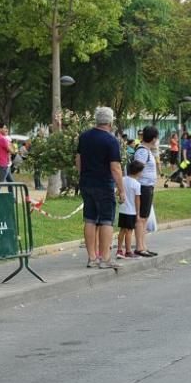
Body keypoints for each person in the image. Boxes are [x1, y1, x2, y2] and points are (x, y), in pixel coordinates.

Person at [76, 107, 126, 269]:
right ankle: (105, 258)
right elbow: (115, 167)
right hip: (104, 184)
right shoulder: (111, 140)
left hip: (86, 182)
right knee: (106, 220)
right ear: (110, 122)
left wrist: (82, 175)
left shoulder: (84, 137)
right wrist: (121, 189)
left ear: (96, 120)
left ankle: (92, 258)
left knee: (89, 219)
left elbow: (78, 159)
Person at [133, 125, 160, 257]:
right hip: (143, 187)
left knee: (144, 218)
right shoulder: (143, 151)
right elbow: (137, 169)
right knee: (141, 218)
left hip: (147, 187)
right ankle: (139, 247)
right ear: (154, 139)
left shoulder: (147, 150)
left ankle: (143, 246)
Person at [115, 160, 143, 259]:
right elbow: (137, 200)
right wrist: (138, 214)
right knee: (129, 231)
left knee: (122, 230)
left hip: (122, 210)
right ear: (139, 172)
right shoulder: (137, 184)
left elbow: (118, 193)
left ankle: (119, 250)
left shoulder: (122, 179)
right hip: (131, 211)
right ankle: (128, 251)